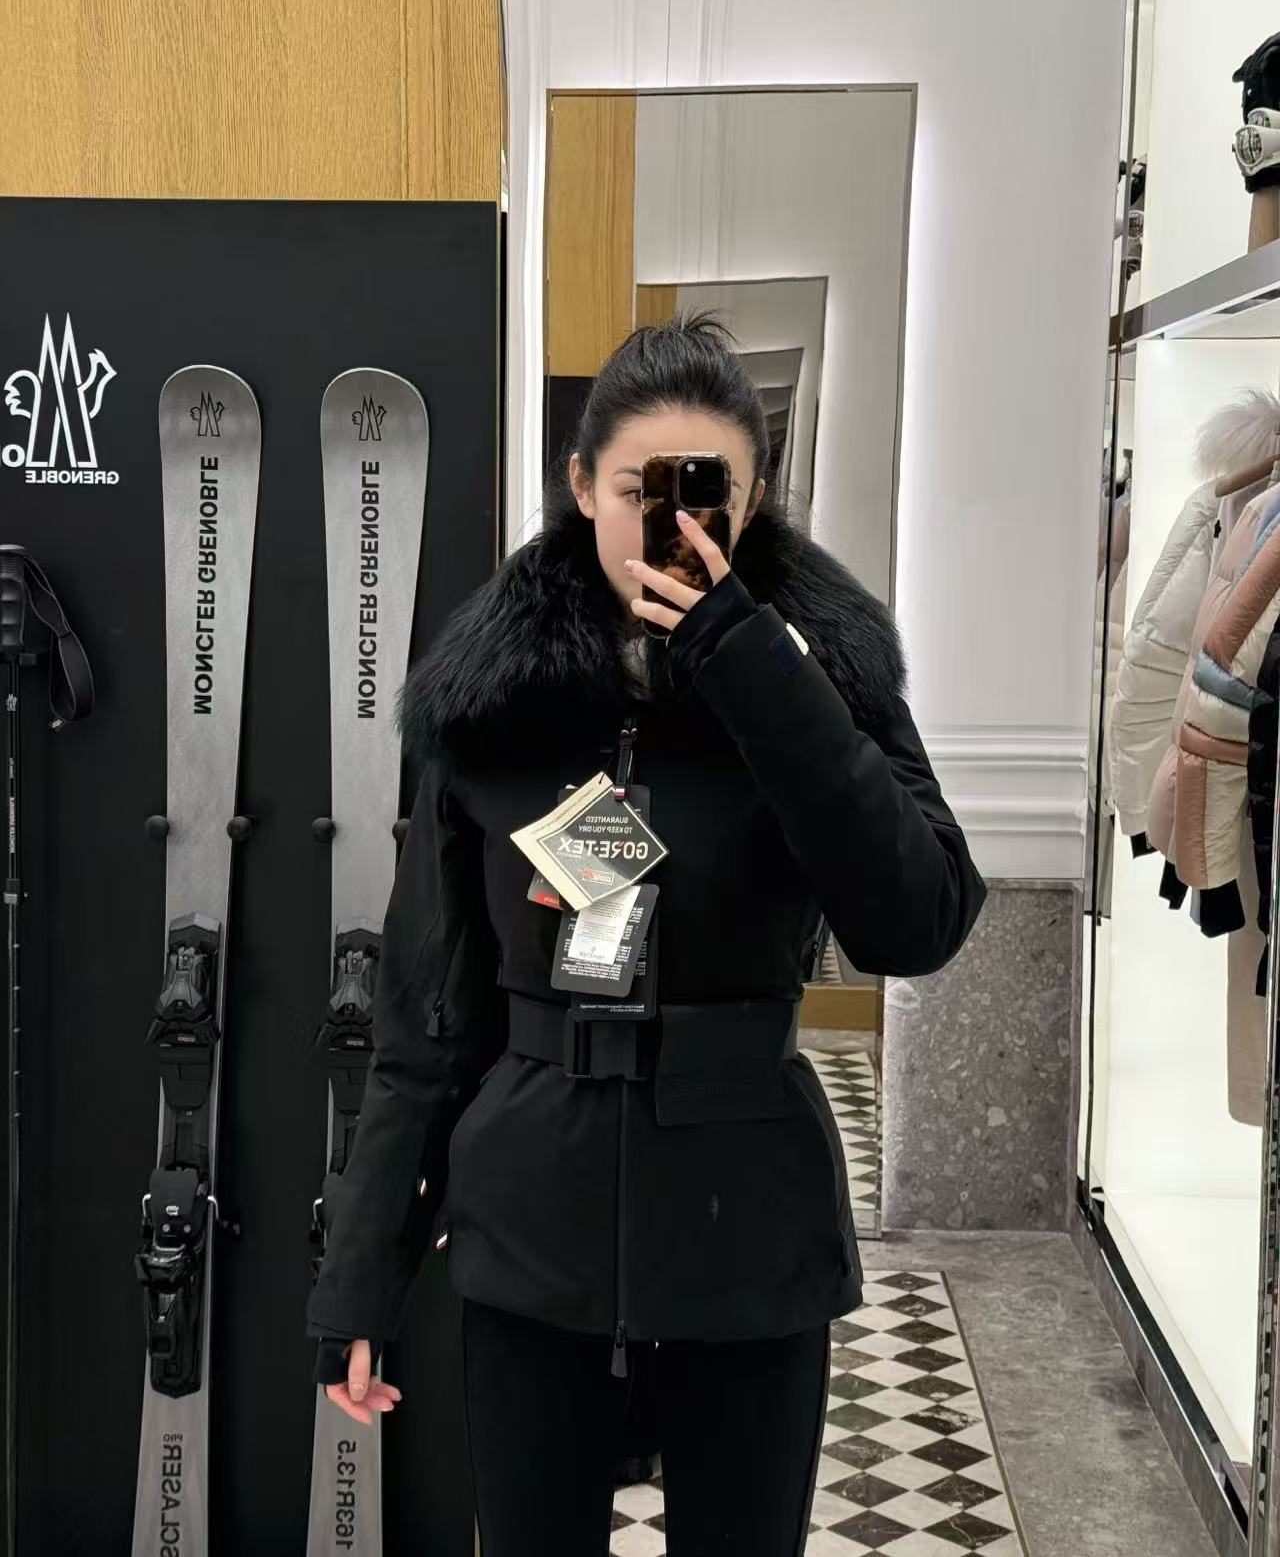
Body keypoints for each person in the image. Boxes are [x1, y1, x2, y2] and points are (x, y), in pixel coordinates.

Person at [306, 311, 987, 1554]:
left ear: (754, 498)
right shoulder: (491, 702)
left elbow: (917, 919)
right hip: (531, 1228)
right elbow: (423, 1017)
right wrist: (361, 1275)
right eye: (637, 491)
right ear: (579, 486)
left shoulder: (820, 675)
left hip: (748, 1231)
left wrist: (753, 669)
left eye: (704, 492)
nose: (670, 524)